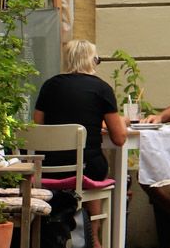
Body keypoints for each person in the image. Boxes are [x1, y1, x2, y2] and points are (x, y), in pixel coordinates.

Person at [33, 38, 129, 181]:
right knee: (94, 171)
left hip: (49, 166)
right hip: (88, 166)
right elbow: (119, 139)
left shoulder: (49, 86)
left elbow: (38, 126)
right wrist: (121, 120)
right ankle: (91, 202)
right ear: (93, 60)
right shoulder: (102, 88)